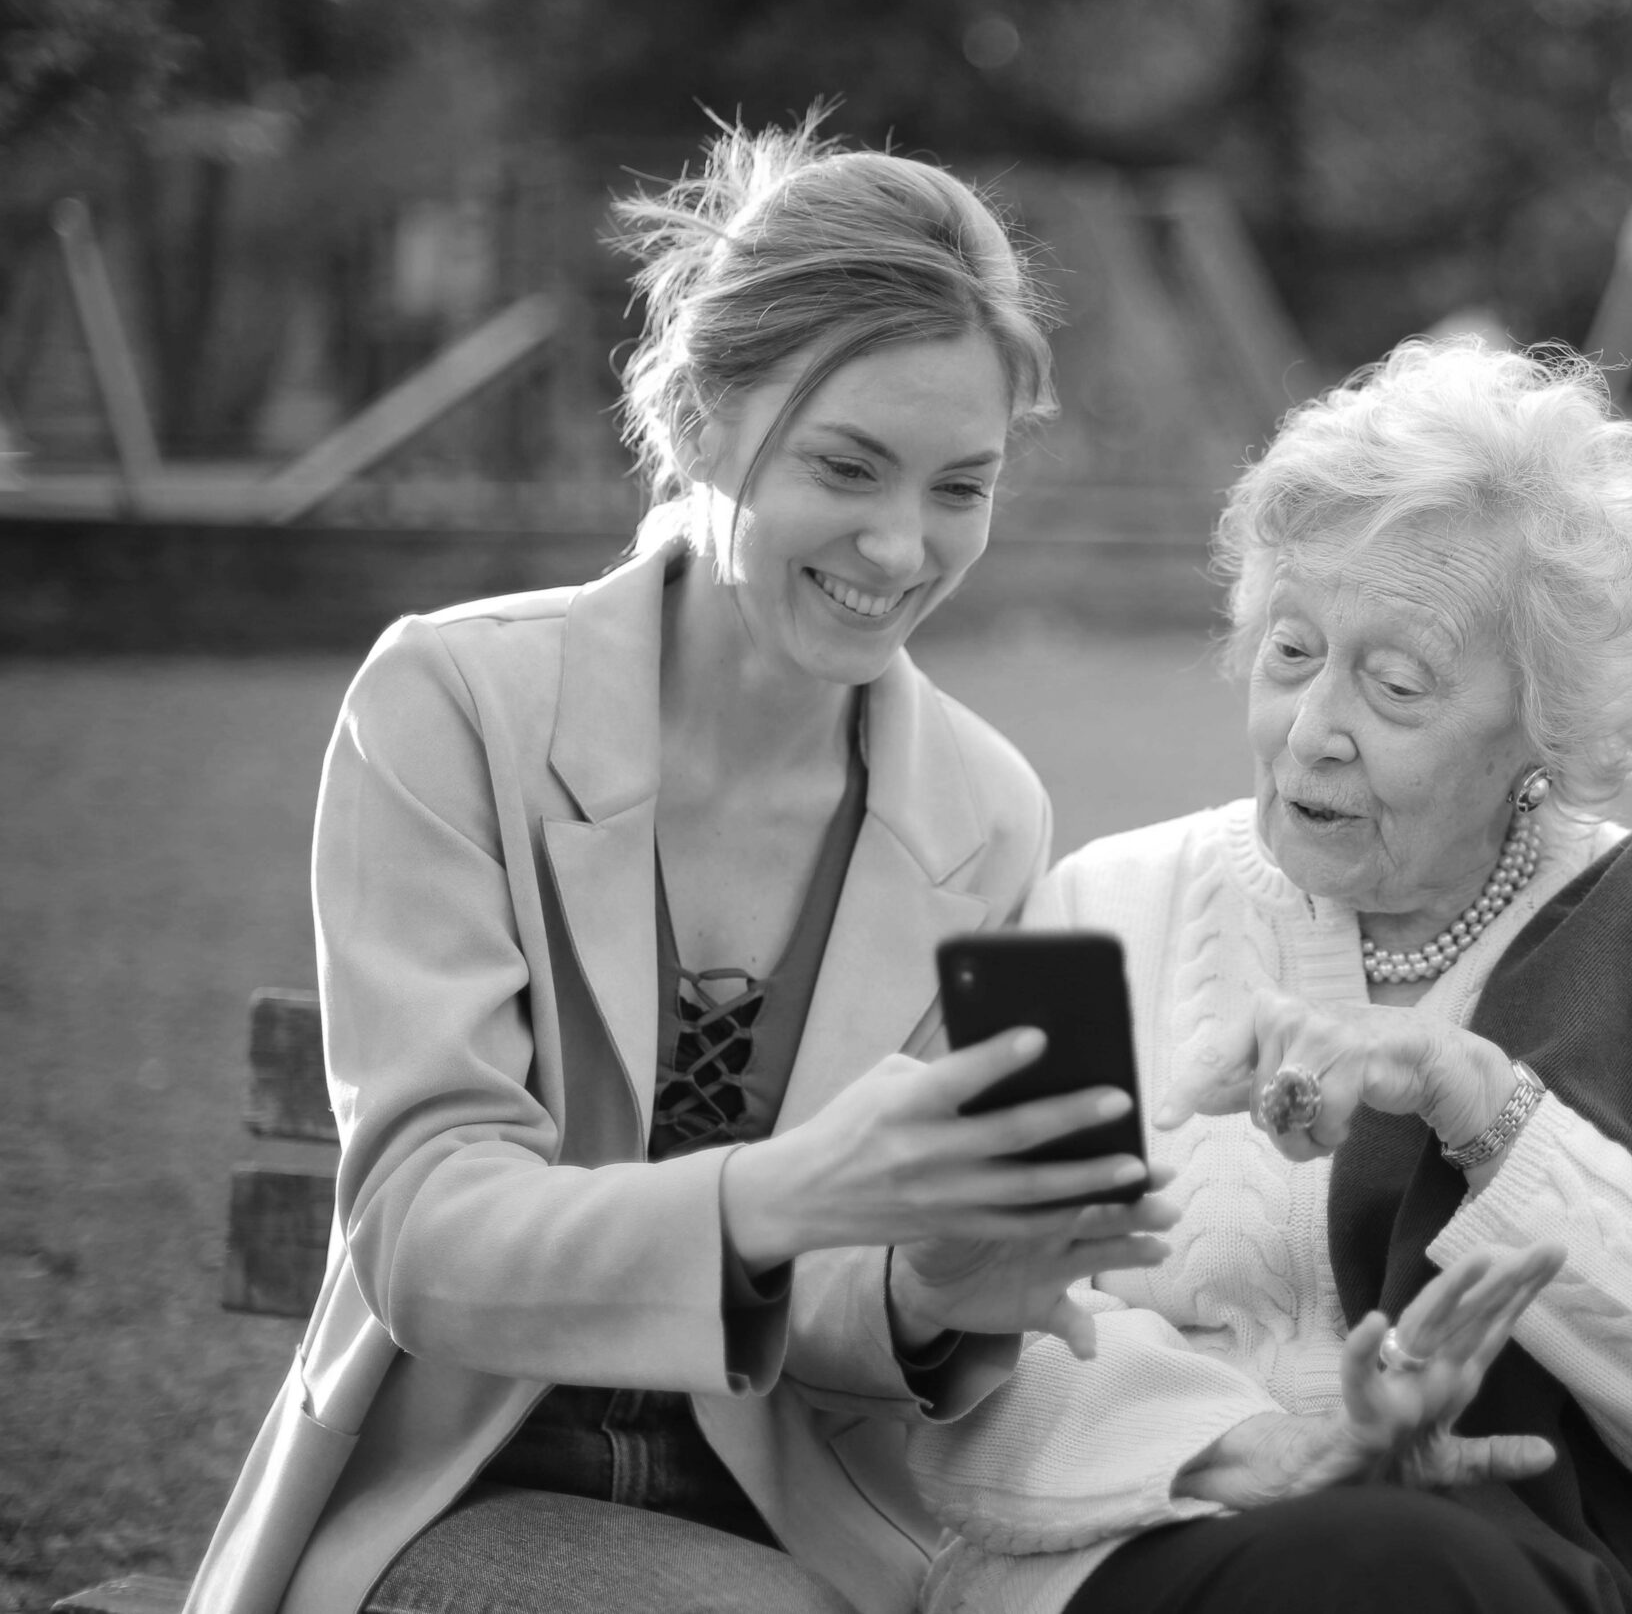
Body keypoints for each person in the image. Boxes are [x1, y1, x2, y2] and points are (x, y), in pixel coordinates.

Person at [186, 120, 1176, 1614]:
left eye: (961, 487)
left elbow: (839, 1304)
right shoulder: (452, 703)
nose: (902, 548)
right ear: (704, 412)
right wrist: (785, 1190)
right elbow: (425, 1230)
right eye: (847, 465)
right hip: (460, 1502)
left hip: (814, 1535)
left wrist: (927, 1286)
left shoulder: (984, 806)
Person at [907, 340, 1632, 1614]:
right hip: (1127, 1563)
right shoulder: (1100, 910)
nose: (1311, 727)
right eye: (1289, 652)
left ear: (1549, 725)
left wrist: (1488, 1111)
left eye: (1394, 684)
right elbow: (965, 1332)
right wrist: (1271, 1450)